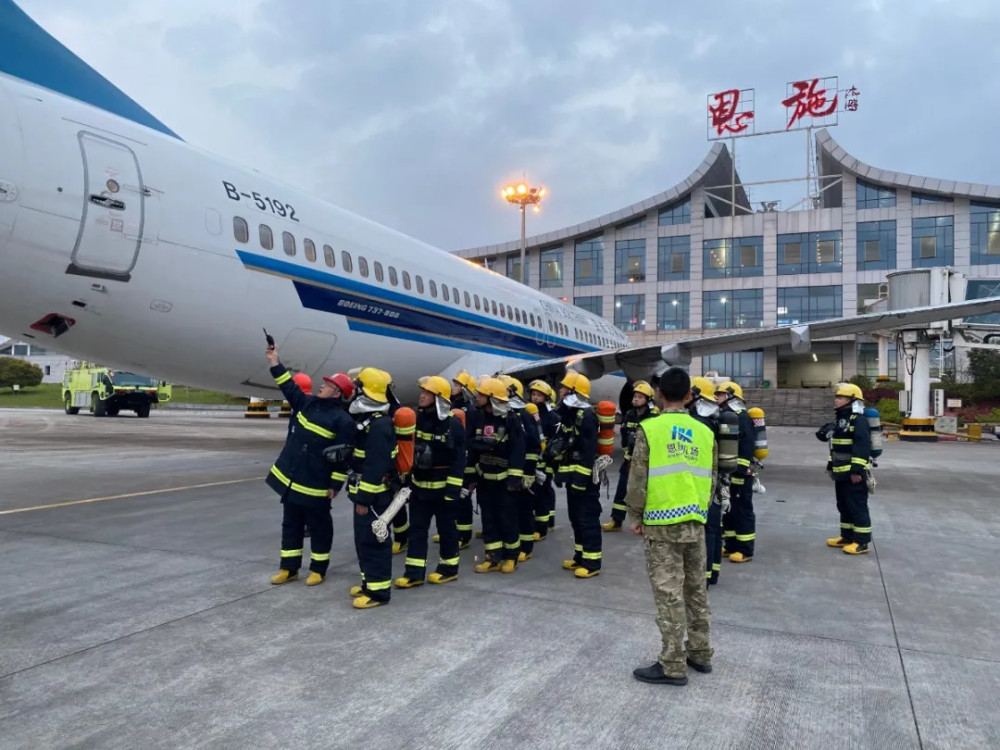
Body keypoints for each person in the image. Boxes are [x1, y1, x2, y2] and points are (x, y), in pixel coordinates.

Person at [627, 367, 714, 686]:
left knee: (669, 593)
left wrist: (635, 515)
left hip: (662, 522)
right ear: (690, 396)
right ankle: (701, 653)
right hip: (695, 519)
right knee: (696, 590)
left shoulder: (650, 429)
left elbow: (638, 478)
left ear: (659, 394)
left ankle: (673, 663)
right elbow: (712, 478)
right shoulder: (705, 432)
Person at [264, 346, 355, 587]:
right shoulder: (307, 404)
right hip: (292, 480)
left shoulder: (343, 421)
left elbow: (343, 457)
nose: (322, 386)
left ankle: (318, 569)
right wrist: (275, 361)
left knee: (320, 527)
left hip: (316, 484)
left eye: (327, 385)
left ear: (337, 393)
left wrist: (335, 484)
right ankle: (289, 568)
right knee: (290, 525)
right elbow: (288, 386)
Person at [395, 376, 466, 588]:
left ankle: (448, 569)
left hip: (444, 492)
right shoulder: (416, 419)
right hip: (420, 490)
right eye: (422, 392)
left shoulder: (453, 424)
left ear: (438, 398)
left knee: (447, 531)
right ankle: (414, 573)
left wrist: (453, 491)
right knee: (417, 531)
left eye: (427, 393)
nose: (421, 396)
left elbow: (458, 460)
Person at [347, 367, 399, 609]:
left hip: (374, 497)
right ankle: (369, 583)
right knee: (363, 541)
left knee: (374, 542)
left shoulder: (379, 426)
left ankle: (379, 593)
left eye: (358, 388)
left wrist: (364, 498)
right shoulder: (371, 421)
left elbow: (376, 465)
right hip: (367, 494)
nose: (354, 391)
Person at [470, 376, 525, 574]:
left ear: (491, 397)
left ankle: (511, 557)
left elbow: (519, 450)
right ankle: (493, 558)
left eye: (481, 394)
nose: (477, 397)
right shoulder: (479, 418)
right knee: (489, 520)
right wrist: (471, 479)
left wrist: (514, 480)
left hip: (505, 483)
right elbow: (473, 450)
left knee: (507, 519)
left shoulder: (511, 420)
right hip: (485, 480)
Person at [554, 371, 602, 578]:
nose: (560, 390)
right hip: (574, 480)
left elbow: (588, 452)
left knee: (587, 519)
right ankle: (580, 556)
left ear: (573, 392)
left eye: (564, 388)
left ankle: (592, 562)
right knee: (575, 518)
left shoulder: (588, 417)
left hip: (585, 481)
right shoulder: (572, 415)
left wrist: (581, 479)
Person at [816, 383, 873, 555]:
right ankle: (847, 537)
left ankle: (862, 542)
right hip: (841, 472)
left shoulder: (859, 421)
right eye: (837, 397)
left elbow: (862, 447)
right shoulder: (841, 421)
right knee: (844, 505)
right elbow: (837, 447)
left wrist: (857, 471)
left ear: (851, 401)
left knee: (857, 506)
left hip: (853, 474)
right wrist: (830, 466)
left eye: (840, 397)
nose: (836, 400)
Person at [603, 380, 658, 532]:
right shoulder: (630, 414)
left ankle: (645, 524)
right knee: (622, 490)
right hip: (629, 460)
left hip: (646, 462)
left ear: (648, 400)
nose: (636, 399)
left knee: (644, 492)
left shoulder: (654, 416)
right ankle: (616, 521)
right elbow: (624, 433)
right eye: (635, 396)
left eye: (640, 397)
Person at [499, 376, 541, 562]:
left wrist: (529, 473)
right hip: (510, 473)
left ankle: (527, 547)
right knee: (511, 511)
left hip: (524, 474)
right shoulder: (505, 414)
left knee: (524, 510)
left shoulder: (524, 415)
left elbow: (533, 446)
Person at [687, 377, 723, 585]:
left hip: (703, 485)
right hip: (714, 482)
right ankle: (712, 572)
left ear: (697, 395)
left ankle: (704, 574)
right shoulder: (713, 417)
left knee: (706, 529)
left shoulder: (699, 421)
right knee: (714, 529)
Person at [716, 381, 756, 563]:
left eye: (721, 394)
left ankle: (745, 549)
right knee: (729, 510)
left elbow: (747, 444)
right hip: (728, 472)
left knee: (742, 510)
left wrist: (739, 468)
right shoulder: (725, 416)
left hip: (740, 473)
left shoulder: (742, 416)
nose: (717, 397)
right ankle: (731, 544)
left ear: (731, 396)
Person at [528, 380, 560, 540]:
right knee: (534, 493)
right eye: (533, 394)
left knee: (543, 492)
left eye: (538, 395)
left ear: (546, 397)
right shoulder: (529, 413)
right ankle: (540, 522)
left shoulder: (552, 417)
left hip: (546, 461)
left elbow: (555, 441)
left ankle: (542, 528)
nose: (535, 398)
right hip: (532, 461)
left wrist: (550, 463)